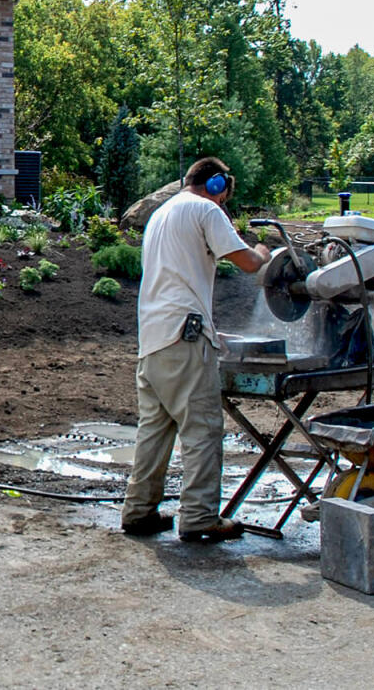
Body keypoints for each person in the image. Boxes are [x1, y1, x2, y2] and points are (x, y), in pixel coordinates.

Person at [121, 156, 271, 543]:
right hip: (185, 337)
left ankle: (139, 511)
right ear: (218, 186)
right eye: (224, 197)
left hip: (153, 339)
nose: (223, 204)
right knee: (202, 429)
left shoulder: (162, 213)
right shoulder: (206, 208)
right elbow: (250, 264)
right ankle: (201, 517)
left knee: (155, 429)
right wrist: (265, 251)